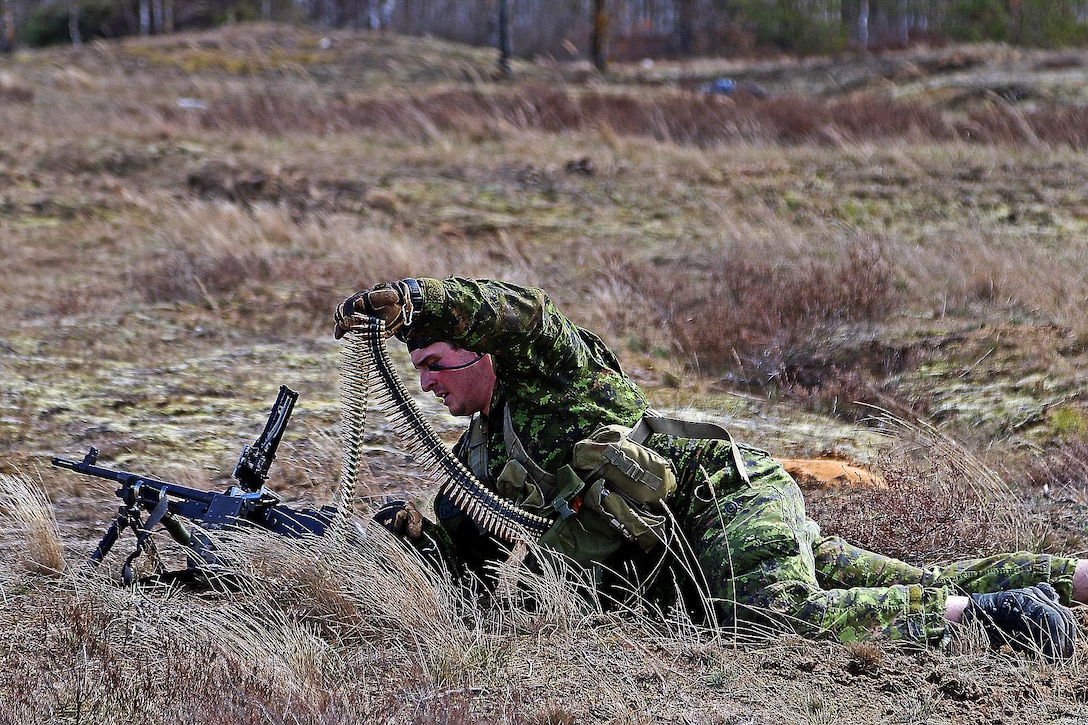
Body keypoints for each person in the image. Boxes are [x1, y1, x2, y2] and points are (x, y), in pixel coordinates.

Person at [335, 277, 1083, 658]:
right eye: (418, 371)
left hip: (725, 498)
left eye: (434, 363)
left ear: (480, 349)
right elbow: (469, 582)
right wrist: (406, 543)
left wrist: (415, 297)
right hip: (695, 555)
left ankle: (988, 621)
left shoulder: (561, 379)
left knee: (769, 616)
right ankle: (1073, 575)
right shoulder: (476, 463)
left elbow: (524, 311)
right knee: (907, 576)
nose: (427, 384)